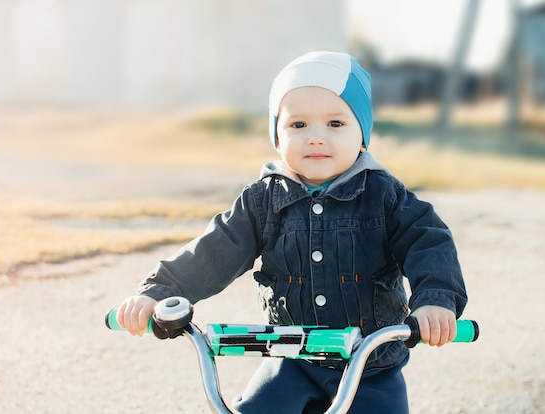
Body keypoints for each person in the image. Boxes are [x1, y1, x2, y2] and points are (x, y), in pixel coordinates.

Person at [116, 51, 468, 413]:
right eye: (298, 125)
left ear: (362, 135)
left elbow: (428, 240)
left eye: (335, 124)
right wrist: (161, 292)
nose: (316, 138)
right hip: (289, 360)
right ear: (277, 137)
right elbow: (214, 250)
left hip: (370, 365)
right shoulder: (262, 201)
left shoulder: (384, 197)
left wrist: (435, 300)